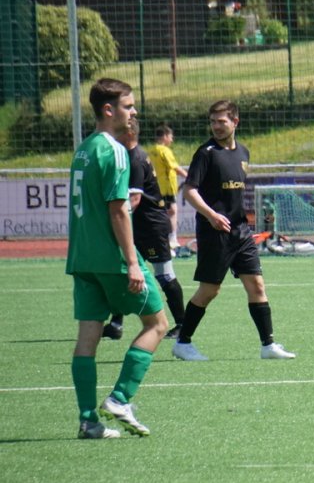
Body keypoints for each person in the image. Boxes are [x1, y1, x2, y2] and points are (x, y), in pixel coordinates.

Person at [67, 78, 168, 439]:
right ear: (108, 110)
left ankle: (88, 421)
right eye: (128, 106)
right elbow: (118, 211)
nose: (134, 111)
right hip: (112, 259)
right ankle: (120, 398)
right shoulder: (115, 150)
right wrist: (132, 262)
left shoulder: (84, 149)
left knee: (88, 336)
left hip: (82, 258)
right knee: (158, 324)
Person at [171, 100, 296, 361]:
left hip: (240, 231)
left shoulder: (243, 153)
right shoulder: (206, 153)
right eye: (212, 122)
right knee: (209, 291)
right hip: (214, 232)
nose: (216, 126)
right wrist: (212, 215)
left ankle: (268, 345)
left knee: (257, 285)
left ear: (235, 122)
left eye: (221, 121)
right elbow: (190, 190)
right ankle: (182, 343)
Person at [102, 119, 187, 341]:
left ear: (130, 133)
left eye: (118, 131)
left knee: (165, 275)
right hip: (138, 226)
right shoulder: (128, 156)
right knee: (124, 271)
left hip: (151, 227)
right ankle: (116, 324)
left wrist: (115, 218)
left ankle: (182, 325)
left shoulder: (136, 159)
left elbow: (135, 199)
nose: (114, 136)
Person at [147, 123, 188, 251]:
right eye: (170, 136)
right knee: (172, 211)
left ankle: (161, 239)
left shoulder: (151, 150)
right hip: (167, 188)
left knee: (162, 213)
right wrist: (189, 177)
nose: (171, 139)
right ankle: (172, 239)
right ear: (164, 136)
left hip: (156, 187)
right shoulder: (165, 151)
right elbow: (174, 167)